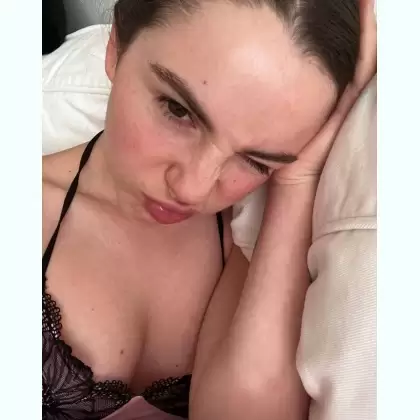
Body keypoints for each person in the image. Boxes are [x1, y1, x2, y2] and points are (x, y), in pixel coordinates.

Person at [42, 0, 376, 419]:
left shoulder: (244, 238)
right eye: (177, 110)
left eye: (256, 161)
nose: (193, 188)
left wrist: (295, 183)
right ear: (117, 45)